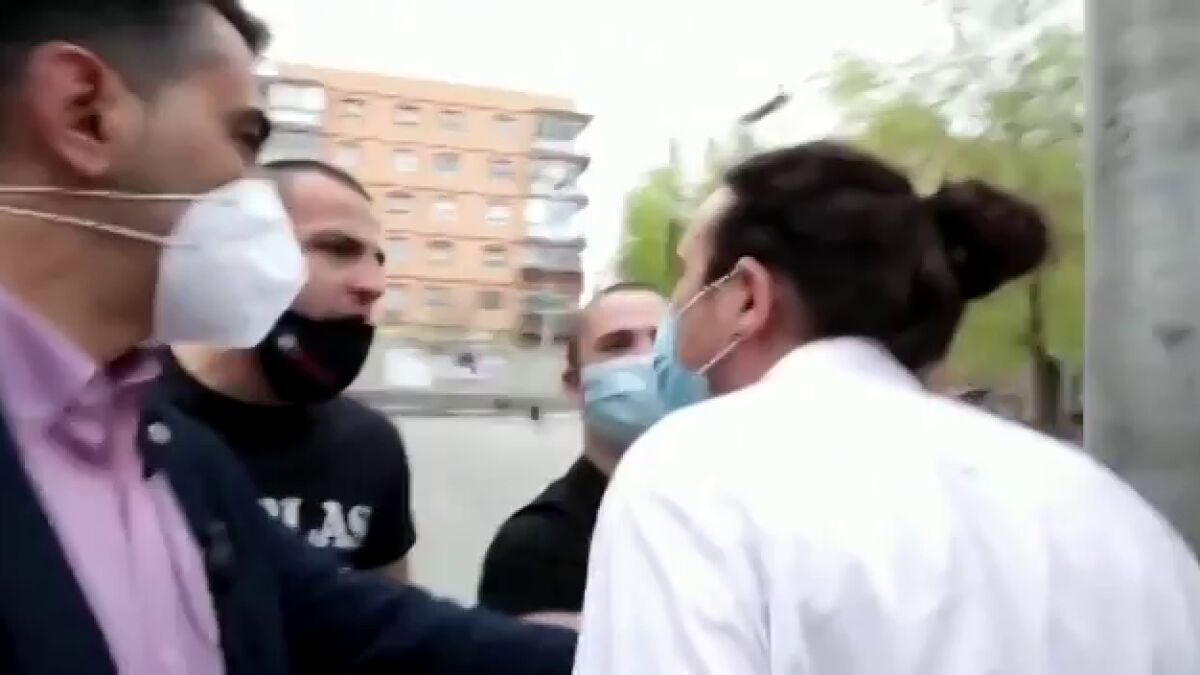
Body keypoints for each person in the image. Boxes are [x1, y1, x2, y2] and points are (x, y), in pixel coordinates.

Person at [0, 3, 573, 674]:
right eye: (245, 138)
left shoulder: (176, 456)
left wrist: (622, 652)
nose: (256, 198)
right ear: (84, 113)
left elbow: (371, 627)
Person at [573, 141, 1200, 674]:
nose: (673, 313)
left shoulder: (693, 475)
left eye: (685, 275)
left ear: (747, 297)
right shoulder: (1109, 509)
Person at [158, 159, 416, 578]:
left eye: (378, 260)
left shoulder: (370, 445)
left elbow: (390, 609)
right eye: (338, 248)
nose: (375, 284)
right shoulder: (123, 420)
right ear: (239, 254)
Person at [477, 282, 665, 618]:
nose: (647, 359)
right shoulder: (536, 547)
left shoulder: (730, 514)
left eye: (663, 341)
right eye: (618, 345)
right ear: (574, 385)